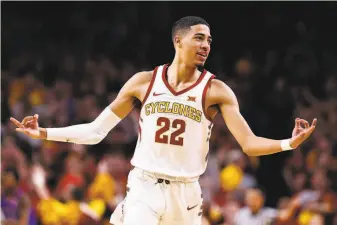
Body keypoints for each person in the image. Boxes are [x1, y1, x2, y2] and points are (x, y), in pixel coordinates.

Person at [10, 16, 317, 225]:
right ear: (178, 41)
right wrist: (44, 133)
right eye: (199, 38)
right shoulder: (143, 82)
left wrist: (289, 142)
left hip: (186, 192)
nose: (206, 45)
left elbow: (249, 145)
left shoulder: (216, 90)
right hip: (146, 184)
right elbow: (95, 131)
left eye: (209, 40)